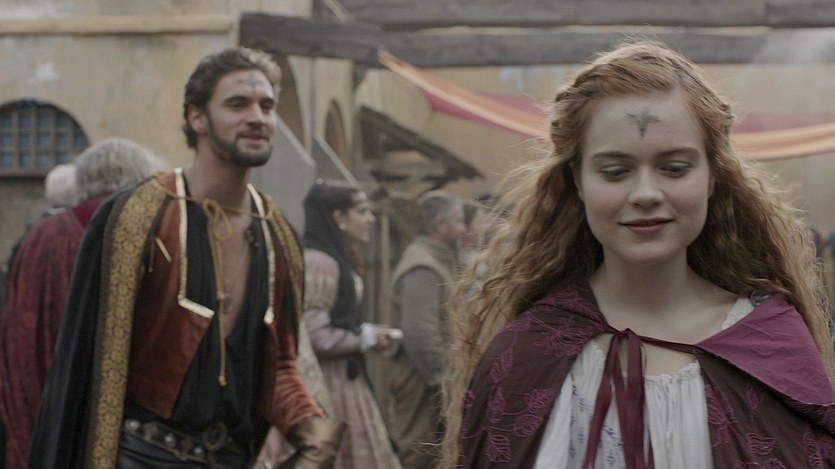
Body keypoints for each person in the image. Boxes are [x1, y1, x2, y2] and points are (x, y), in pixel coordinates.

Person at [442, 40, 835, 468]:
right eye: (615, 172)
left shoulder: (771, 344)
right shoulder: (526, 354)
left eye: (675, 168)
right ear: (578, 181)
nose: (646, 193)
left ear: (712, 175)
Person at [28, 46, 344, 468]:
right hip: (140, 457)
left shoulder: (278, 234)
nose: (257, 117)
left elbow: (279, 365)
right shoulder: (138, 217)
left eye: (266, 106)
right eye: (238, 104)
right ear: (197, 117)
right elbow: (92, 365)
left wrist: (313, 431)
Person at [0, 138, 157, 469]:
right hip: (139, 430)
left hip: (52, 403)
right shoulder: (157, 231)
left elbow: (21, 331)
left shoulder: (46, 235)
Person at [301, 179, 402, 469]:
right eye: (361, 211)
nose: (370, 219)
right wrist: (362, 338)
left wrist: (364, 334)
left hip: (344, 378)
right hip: (326, 385)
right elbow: (313, 335)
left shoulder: (336, 258)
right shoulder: (320, 263)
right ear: (339, 217)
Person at [385, 190, 465, 469]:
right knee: (418, 450)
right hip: (419, 377)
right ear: (440, 225)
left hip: (428, 376)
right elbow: (420, 332)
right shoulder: (423, 266)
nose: (463, 228)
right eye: (458, 220)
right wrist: (440, 379)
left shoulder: (437, 260)